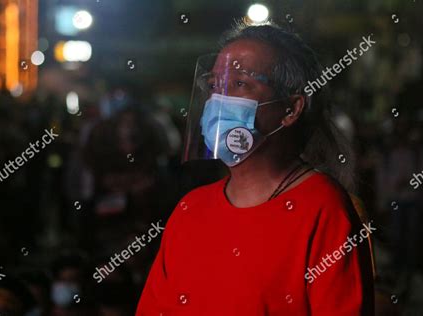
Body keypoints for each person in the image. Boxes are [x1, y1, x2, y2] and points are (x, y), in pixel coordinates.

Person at [137, 22, 374, 315]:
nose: (219, 101)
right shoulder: (190, 209)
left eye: (239, 84)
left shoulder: (324, 208)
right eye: (214, 86)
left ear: (291, 109)